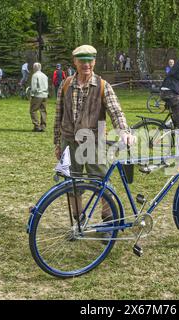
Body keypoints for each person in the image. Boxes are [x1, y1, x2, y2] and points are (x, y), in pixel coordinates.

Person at [54, 45, 135, 224]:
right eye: (82, 61)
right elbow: (58, 115)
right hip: (69, 140)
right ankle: (78, 222)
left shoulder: (102, 86)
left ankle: (108, 221)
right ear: (75, 62)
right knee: (71, 184)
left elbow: (116, 112)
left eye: (90, 61)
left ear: (94, 62)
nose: (86, 65)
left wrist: (124, 131)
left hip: (93, 143)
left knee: (102, 183)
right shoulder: (66, 84)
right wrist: (57, 144)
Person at [30, 63, 49, 132]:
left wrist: (32, 94)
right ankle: (43, 126)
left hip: (37, 95)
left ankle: (36, 126)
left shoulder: (35, 75)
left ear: (34, 68)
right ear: (40, 68)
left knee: (33, 110)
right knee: (43, 110)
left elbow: (34, 87)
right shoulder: (45, 75)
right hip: (45, 95)